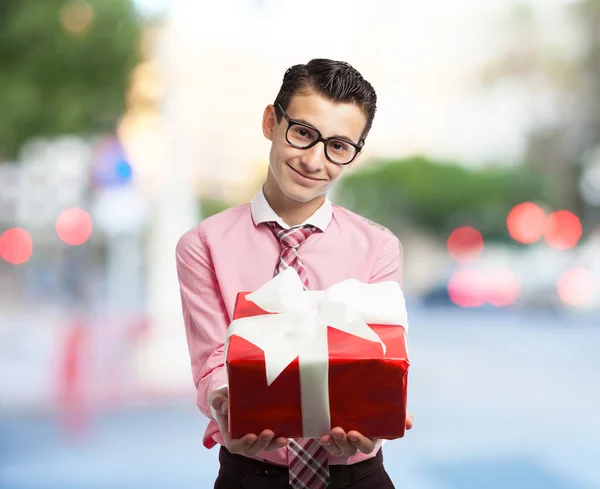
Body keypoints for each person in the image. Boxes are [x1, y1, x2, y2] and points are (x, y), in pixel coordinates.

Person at [176, 58, 413, 489]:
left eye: (338, 146)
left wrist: (375, 418)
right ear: (271, 121)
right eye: (303, 133)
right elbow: (213, 359)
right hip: (251, 474)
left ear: (355, 153)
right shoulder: (202, 245)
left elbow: (381, 353)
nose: (314, 160)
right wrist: (225, 404)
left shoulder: (378, 247)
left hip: (355, 475)